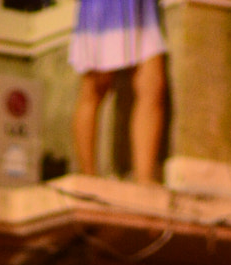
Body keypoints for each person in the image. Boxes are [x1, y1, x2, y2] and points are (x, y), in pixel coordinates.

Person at [70, 0, 167, 184]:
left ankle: (144, 178)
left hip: (142, 5)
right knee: (95, 86)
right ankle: (88, 177)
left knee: (152, 85)